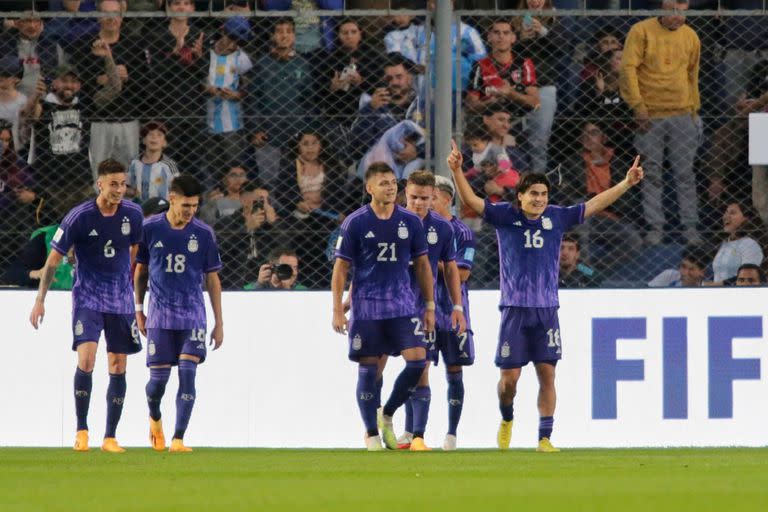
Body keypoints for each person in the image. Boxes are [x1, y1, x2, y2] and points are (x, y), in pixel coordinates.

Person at [447, 140, 644, 452]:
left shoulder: (558, 217)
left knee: (547, 374)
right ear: (521, 196)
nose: (539, 199)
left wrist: (625, 182)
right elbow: (471, 198)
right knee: (509, 381)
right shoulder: (504, 216)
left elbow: (594, 204)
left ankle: (544, 438)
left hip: (547, 310)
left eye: (543, 194)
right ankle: (507, 417)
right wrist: (457, 170)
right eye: (533, 194)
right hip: (514, 309)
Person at [28, 158, 144, 453]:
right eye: (113, 184)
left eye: (123, 184)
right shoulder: (78, 217)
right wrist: (40, 300)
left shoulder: (133, 213)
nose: (119, 190)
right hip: (87, 299)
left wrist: (125, 286)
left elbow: (132, 251)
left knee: (118, 365)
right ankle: (82, 431)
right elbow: (53, 261)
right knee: (87, 360)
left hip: (120, 301)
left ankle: (110, 437)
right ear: (100, 184)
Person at [331, 162, 435, 451]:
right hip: (367, 309)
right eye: (383, 183)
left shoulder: (410, 222)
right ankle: (371, 434)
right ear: (369, 188)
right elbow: (341, 269)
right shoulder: (355, 222)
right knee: (369, 372)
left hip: (403, 306)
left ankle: (386, 412)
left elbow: (424, 266)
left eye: (393, 182)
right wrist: (338, 309)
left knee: (417, 361)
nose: (390, 187)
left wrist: (429, 306)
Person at [134, 174, 223, 452]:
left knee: (188, 372)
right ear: (172, 199)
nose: (190, 211)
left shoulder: (204, 234)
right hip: (160, 316)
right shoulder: (150, 229)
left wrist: (219, 322)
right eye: (186, 205)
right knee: (156, 385)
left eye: (195, 206)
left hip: (192, 315)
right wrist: (139, 310)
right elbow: (141, 271)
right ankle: (155, 418)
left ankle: (178, 439)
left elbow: (212, 279)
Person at [384, 171, 465, 452]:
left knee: (421, 367)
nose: (418, 203)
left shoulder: (442, 228)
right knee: (376, 367)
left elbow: (452, 268)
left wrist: (457, 306)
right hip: (386, 306)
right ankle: (378, 423)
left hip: (422, 308)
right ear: (405, 194)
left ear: (435, 198)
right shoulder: (388, 222)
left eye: (425, 198)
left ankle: (416, 435)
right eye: (414, 197)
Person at [619, 0, 702, 245]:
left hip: (682, 113)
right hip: (650, 114)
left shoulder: (691, 37)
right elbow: (628, 69)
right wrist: (638, 106)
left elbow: (692, 74)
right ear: (662, 9)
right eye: (672, 11)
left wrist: (694, 111)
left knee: (685, 174)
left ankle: (690, 228)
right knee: (651, 173)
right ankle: (655, 228)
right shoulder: (641, 31)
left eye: (681, 12)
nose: (677, 17)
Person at [422, 174, 476, 451]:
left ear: (447, 199)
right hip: (425, 312)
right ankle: (415, 433)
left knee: (454, 370)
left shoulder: (463, 232)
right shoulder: (417, 227)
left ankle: (451, 434)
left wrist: (428, 262)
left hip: (454, 312)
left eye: (432, 196)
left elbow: (463, 273)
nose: (427, 201)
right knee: (419, 368)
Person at [70, 0, 149, 179]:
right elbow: (78, 80)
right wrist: (100, 79)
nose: (111, 18)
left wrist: (129, 77)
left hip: (127, 118)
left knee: (129, 172)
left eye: (115, 13)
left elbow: (144, 82)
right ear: (98, 16)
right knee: (99, 172)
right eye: (106, 13)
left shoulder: (134, 45)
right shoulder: (84, 46)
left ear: (121, 17)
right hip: (98, 120)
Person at [465, 19, 539, 120]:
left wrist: (510, 94)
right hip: (489, 120)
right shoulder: (480, 65)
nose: (501, 36)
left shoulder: (524, 63)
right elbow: (470, 107)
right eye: (496, 32)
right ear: (489, 37)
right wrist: (491, 102)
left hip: (517, 119)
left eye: (506, 33)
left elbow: (535, 102)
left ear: (513, 38)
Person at [710, 201, 764, 285]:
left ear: (746, 218)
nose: (725, 216)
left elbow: (748, 277)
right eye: (726, 213)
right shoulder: (724, 244)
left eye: (732, 213)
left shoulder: (749, 244)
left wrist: (715, 285)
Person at [127, 121, 179, 201]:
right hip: (140, 207)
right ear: (144, 140)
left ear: (164, 143)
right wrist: (132, 192)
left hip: (162, 208)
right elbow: (127, 185)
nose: (154, 137)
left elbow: (178, 188)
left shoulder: (169, 164)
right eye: (150, 134)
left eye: (159, 135)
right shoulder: (135, 163)